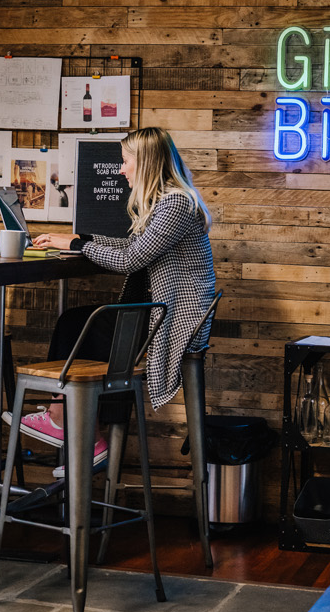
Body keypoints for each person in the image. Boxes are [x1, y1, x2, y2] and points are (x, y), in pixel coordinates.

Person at [33, 127, 215, 410]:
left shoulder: (176, 203)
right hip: (160, 309)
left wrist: (80, 246)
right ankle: (80, 422)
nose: (121, 170)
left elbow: (130, 260)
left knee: (78, 325)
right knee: (80, 324)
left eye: (126, 161)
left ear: (145, 163)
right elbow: (130, 246)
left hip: (175, 319)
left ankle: (63, 415)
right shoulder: (166, 202)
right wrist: (80, 240)